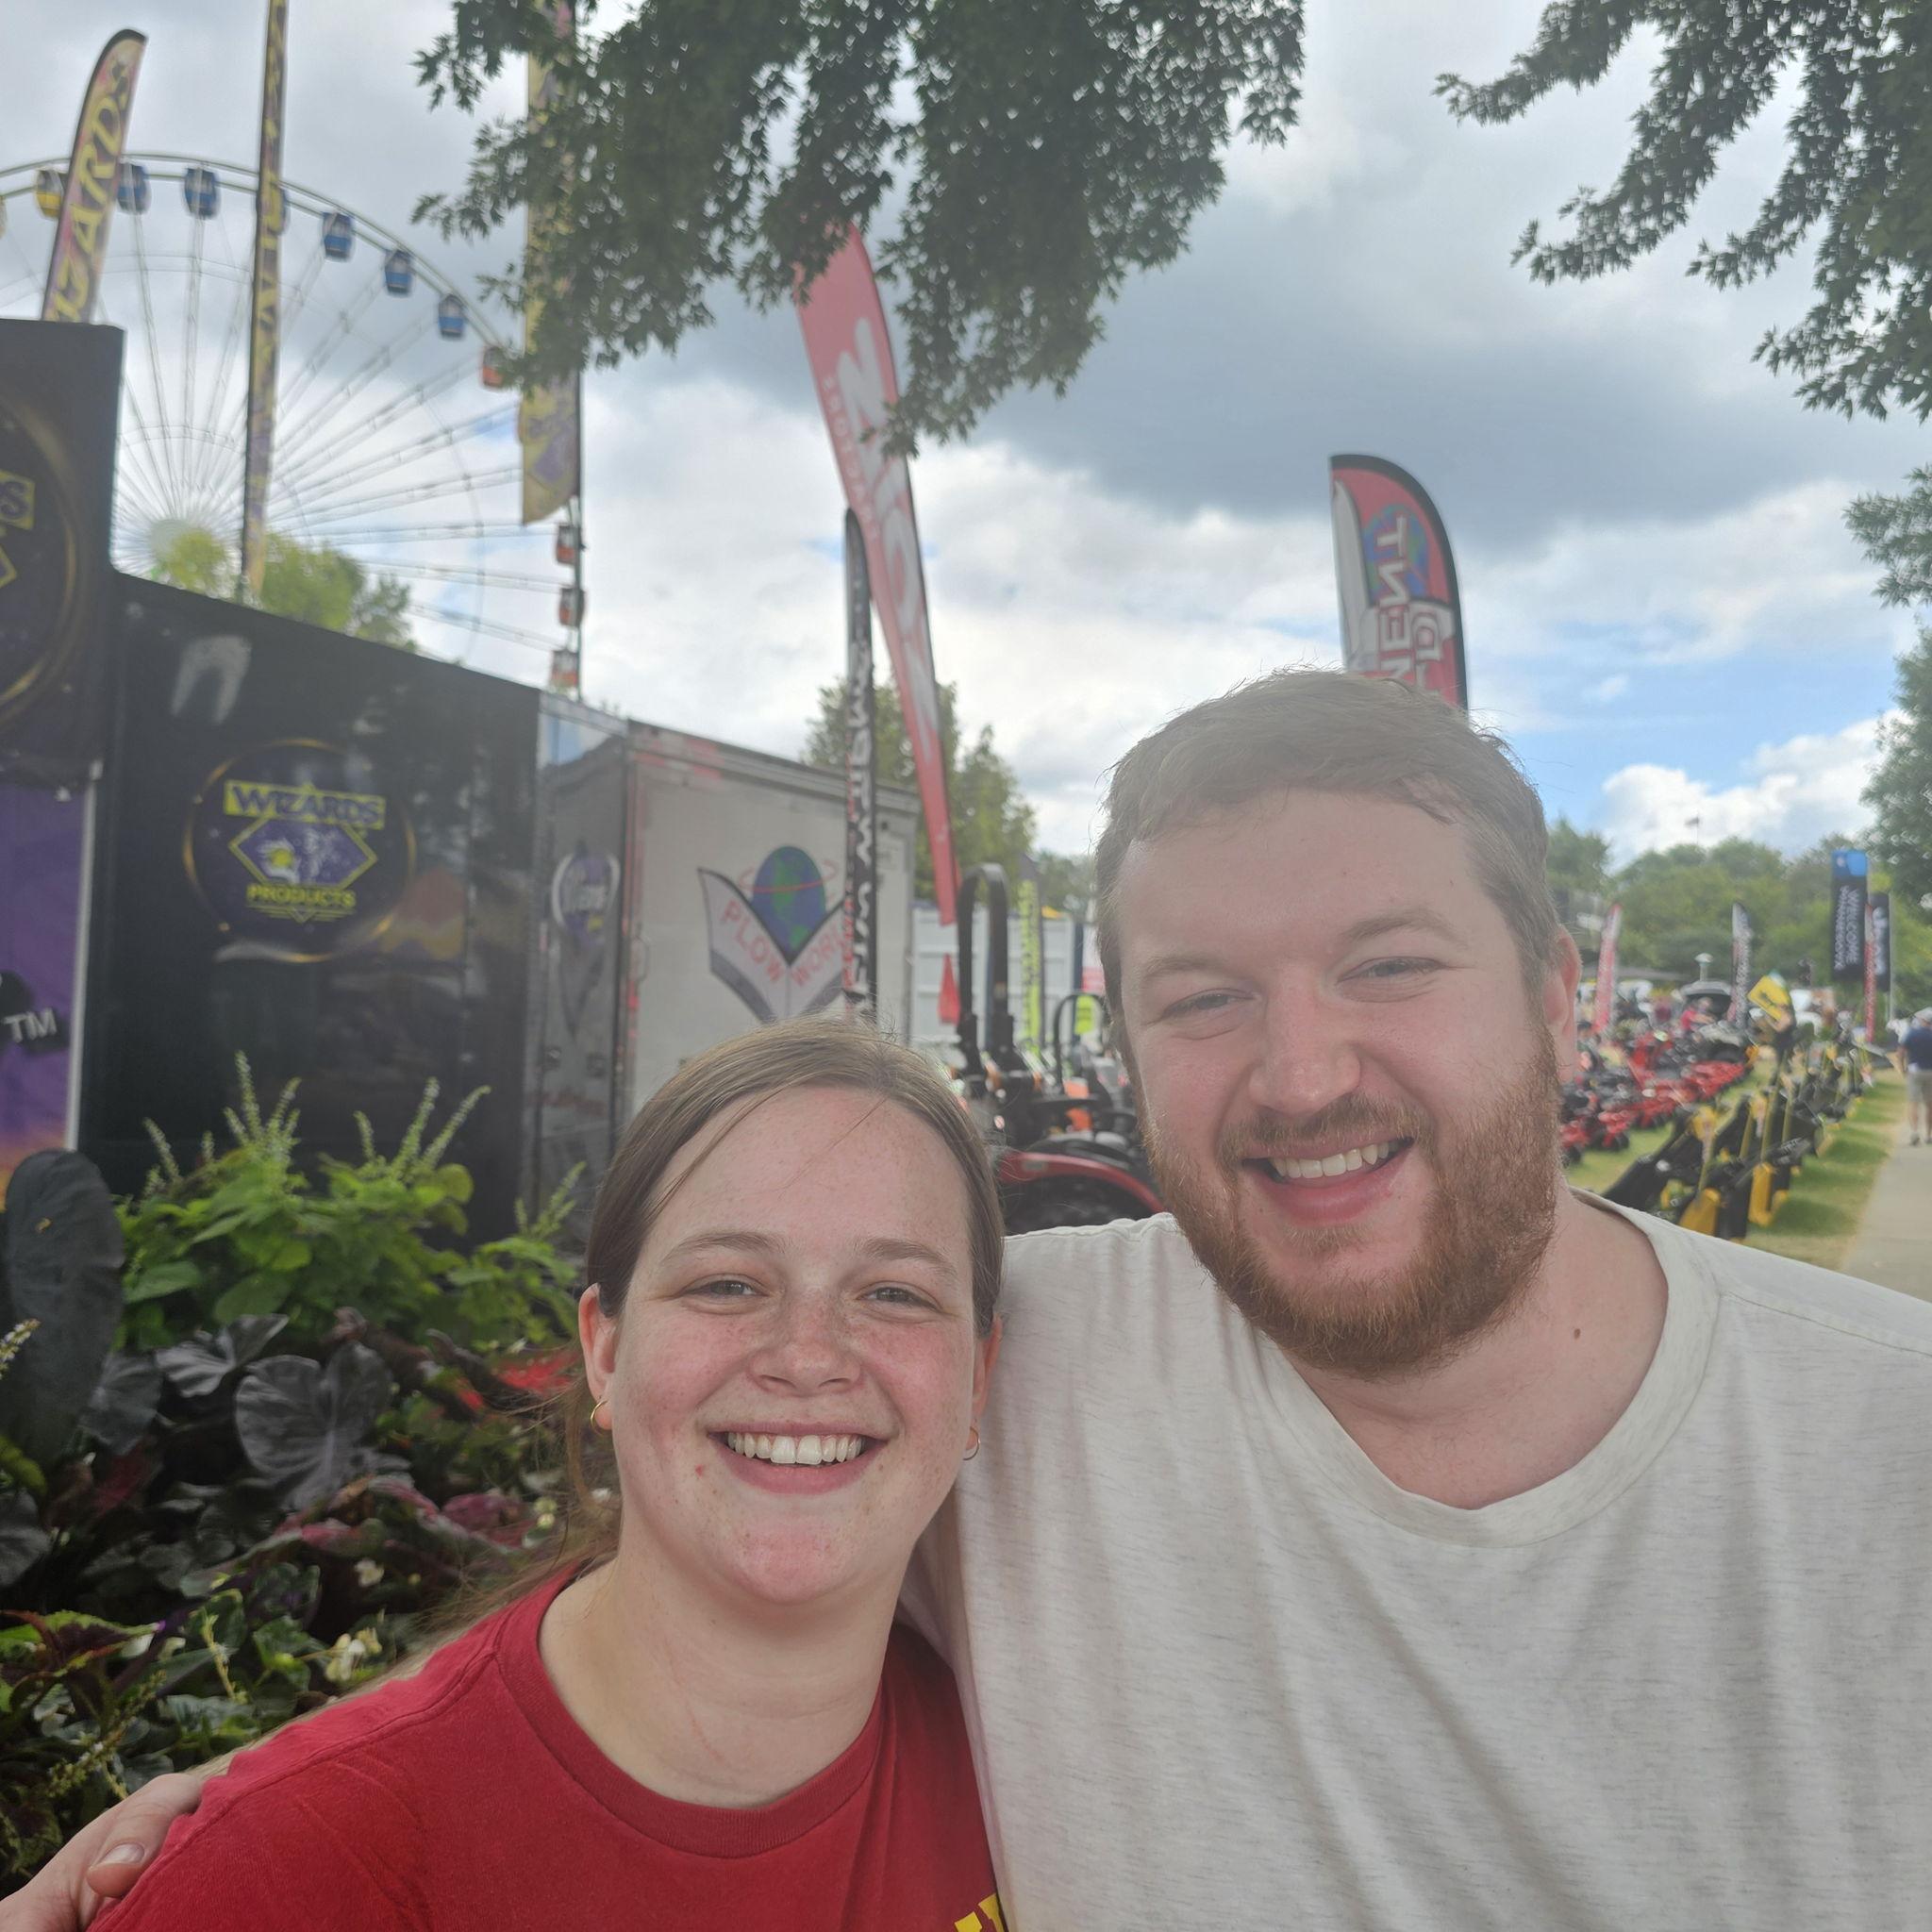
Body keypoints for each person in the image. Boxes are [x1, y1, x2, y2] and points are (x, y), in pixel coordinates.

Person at [23, 670, 1932, 1929]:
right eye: (1202, 996)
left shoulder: (1884, 1444)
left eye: (1388, 964)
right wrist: (276, 1808)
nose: (1297, 1071)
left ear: (1563, 998)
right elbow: (699, 1521)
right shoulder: (1038, 1355)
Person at [28, 1017, 1005, 1932]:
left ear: (979, 1378)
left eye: (893, 1291)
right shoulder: (287, 1873)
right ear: (604, 1352)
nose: (807, 1353)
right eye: (726, 1282)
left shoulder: (1027, 1762)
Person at [1906, 1008, 1932, 1144]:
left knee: (1914, 1103)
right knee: (1930, 1105)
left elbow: (1900, 1051)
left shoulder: (1912, 1033)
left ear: (1922, 1020)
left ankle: (1915, 1132)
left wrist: (1902, 1067)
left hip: (1915, 1072)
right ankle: (1928, 1135)